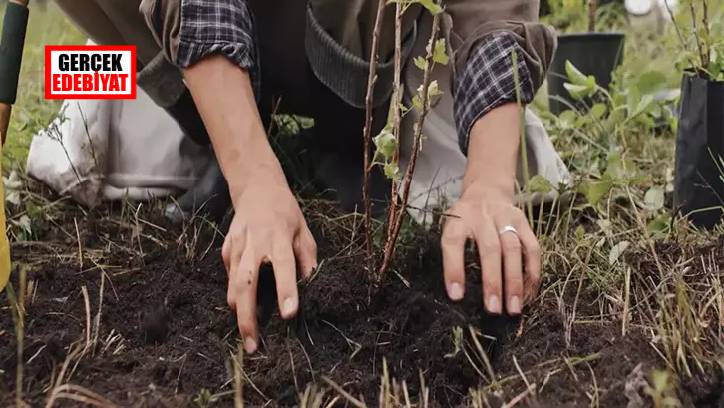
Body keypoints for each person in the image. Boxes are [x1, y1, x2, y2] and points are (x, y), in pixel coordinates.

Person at [53, 0, 569, 354]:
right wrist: (252, 179)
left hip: (368, 54)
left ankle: (346, 140)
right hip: (196, 48)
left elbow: (494, 12)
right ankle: (220, 130)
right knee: (98, 93)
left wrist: (489, 185)